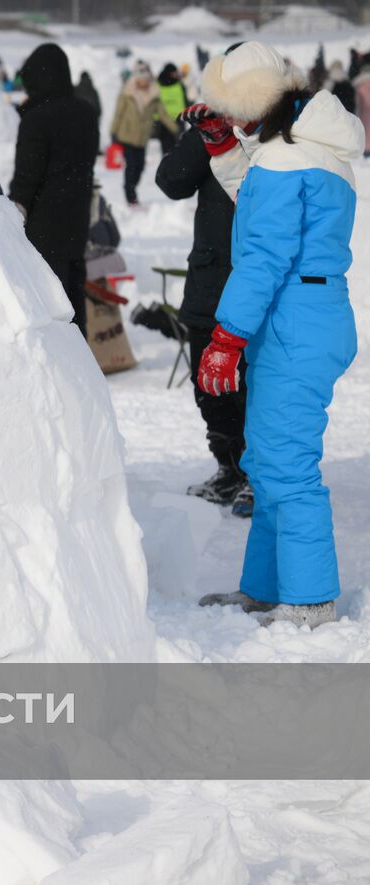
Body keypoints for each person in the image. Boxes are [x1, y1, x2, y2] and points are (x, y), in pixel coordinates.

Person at [191, 41, 364, 629]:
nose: (234, 120)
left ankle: (310, 599)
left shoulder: (288, 161)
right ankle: (266, 589)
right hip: (303, 317)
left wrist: (226, 337)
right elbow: (259, 202)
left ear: (259, 98)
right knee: (266, 462)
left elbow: (264, 253)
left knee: (287, 467)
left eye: (236, 110)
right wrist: (222, 149)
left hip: (295, 321)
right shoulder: (298, 147)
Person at [154, 82, 247, 511]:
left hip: (256, 277)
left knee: (254, 385)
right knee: (209, 385)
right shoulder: (213, 124)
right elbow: (170, 181)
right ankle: (230, 468)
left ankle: (258, 474)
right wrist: (206, 134)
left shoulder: (280, 129)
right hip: (209, 278)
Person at [8, 43, 99, 339]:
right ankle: (81, 363)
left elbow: (27, 177)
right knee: (74, 299)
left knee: (48, 304)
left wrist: (15, 212)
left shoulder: (37, 118)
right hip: (78, 220)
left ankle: (57, 371)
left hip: (44, 226)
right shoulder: (86, 112)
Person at [110, 61, 178, 205]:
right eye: (141, 80)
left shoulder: (153, 95)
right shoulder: (127, 94)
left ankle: (132, 187)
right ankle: (130, 193)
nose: (144, 82)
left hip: (142, 138)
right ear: (136, 79)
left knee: (140, 167)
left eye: (146, 80)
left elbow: (163, 114)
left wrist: (175, 129)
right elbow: (118, 114)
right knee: (131, 165)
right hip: (127, 135)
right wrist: (113, 132)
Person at [155, 63, 188, 154]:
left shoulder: (158, 84)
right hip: (168, 121)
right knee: (176, 149)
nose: (176, 74)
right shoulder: (178, 84)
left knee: (173, 150)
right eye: (174, 72)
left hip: (173, 120)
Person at [355, 60, 370, 157]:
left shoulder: (360, 87)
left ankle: (366, 150)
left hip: (364, 113)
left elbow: (358, 103)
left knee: (365, 131)